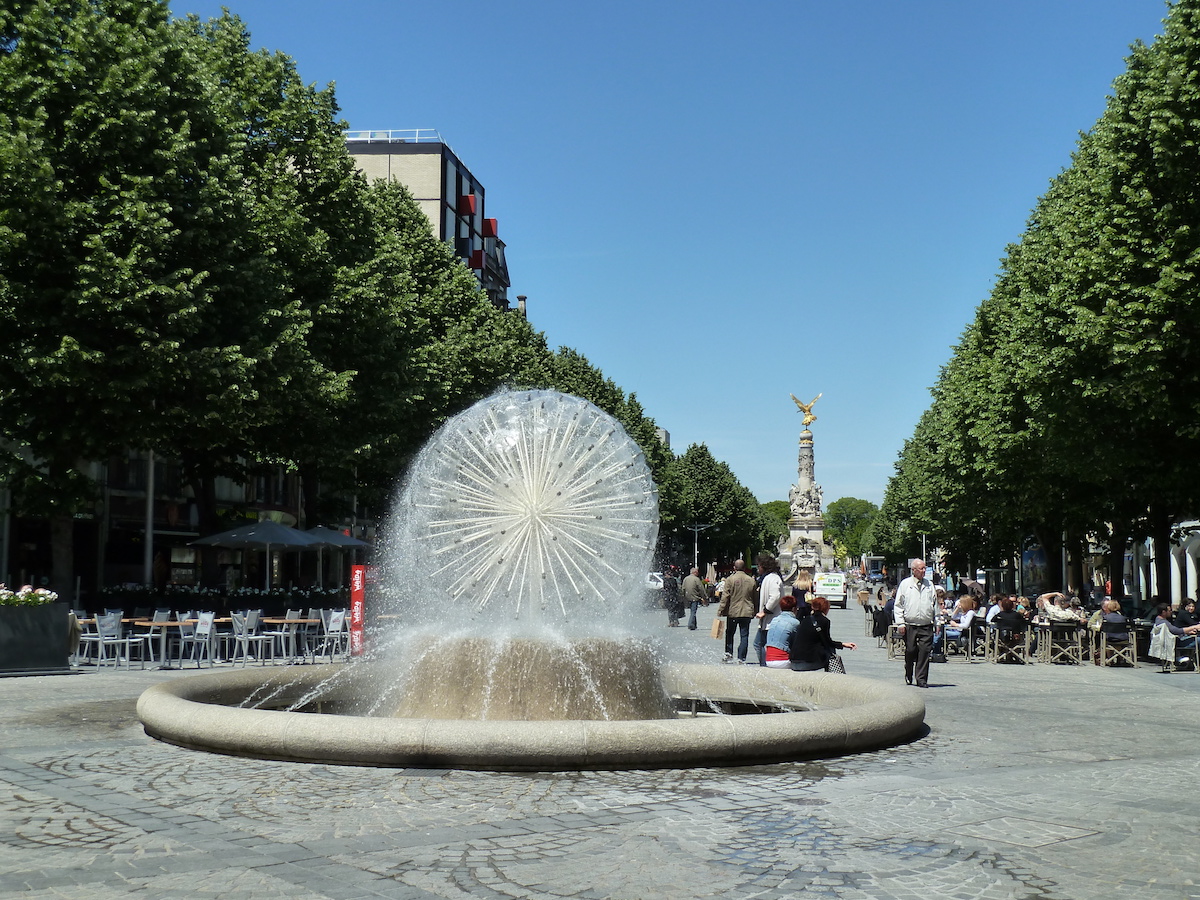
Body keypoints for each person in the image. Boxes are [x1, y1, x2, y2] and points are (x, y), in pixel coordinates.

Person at [893, 558, 936, 687]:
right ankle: (909, 671)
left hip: (926, 624)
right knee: (911, 650)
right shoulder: (905, 584)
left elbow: (934, 604)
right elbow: (898, 605)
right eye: (921, 568)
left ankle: (921, 679)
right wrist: (900, 623)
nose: (924, 571)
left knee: (924, 652)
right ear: (914, 570)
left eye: (924, 568)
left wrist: (937, 621)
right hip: (910, 624)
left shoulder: (929, 585)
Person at [790, 595, 857, 671]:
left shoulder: (806, 619)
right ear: (825, 608)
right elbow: (827, 642)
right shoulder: (824, 621)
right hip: (807, 662)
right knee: (830, 654)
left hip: (794, 660)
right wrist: (843, 644)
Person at [717, 559, 756, 663]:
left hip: (733, 612)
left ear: (734, 568)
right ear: (744, 568)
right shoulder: (751, 580)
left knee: (730, 633)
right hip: (747, 611)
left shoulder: (730, 580)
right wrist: (755, 610)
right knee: (744, 635)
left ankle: (728, 654)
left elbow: (725, 597)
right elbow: (755, 597)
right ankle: (741, 658)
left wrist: (721, 610)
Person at [753, 554, 783, 666]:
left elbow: (775, 596)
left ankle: (765, 666)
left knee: (758, 644)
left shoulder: (772, 578)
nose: (757, 568)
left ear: (764, 566)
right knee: (762, 644)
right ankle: (766, 665)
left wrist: (765, 611)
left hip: (771, 619)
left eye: (759, 566)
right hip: (769, 619)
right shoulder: (769, 578)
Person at [763, 595, 802, 668]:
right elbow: (797, 644)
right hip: (783, 660)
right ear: (794, 609)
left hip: (768, 659)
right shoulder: (795, 622)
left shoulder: (774, 620)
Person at [681, 567, 708, 631]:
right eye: (697, 572)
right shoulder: (696, 579)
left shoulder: (686, 579)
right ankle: (690, 624)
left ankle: (694, 625)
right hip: (694, 597)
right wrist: (705, 597)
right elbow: (701, 589)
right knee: (693, 612)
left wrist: (683, 596)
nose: (698, 573)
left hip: (687, 598)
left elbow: (683, 589)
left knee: (692, 611)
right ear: (695, 572)